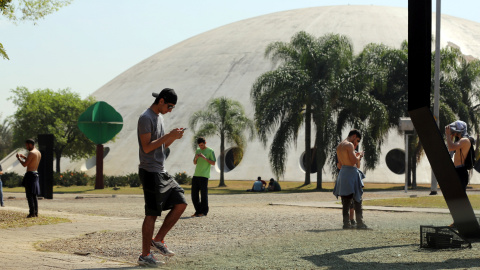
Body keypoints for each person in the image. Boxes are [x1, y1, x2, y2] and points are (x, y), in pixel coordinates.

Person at [137, 88, 187, 267]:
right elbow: (147, 148)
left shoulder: (160, 117)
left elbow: (162, 146)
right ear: (161, 101)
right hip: (149, 171)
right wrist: (168, 135)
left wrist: (173, 138)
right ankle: (145, 255)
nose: (170, 110)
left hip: (161, 170)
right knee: (151, 214)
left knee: (181, 202)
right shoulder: (146, 118)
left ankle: (158, 239)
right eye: (170, 106)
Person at [333, 129, 367, 229]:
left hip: (343, 173)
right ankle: (360, 222)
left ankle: (346, 223)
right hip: (351, 174)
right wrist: (359, 155)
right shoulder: (349, 145)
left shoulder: (339, 146)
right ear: (354, 136)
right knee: (357, 199)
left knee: (346, 201)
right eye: (357, 140)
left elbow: (339, 165)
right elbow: (353, 162)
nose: (356, 143)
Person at [191, 137, 216, 217]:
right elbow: (194, 163)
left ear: (205, 143)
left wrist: (204, 158)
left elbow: (213, 163)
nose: (201, 147)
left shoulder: (210, 151)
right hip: (196, 175)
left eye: (202, 145)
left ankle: (204, 212)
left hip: (204, 176)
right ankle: (197, 211)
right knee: (194, 195)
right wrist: (196, 158)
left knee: (203, 195)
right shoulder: (198, 151)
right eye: (199, 145)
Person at [16, 139, 41, 218]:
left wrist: (19, 158)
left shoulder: (31, 153)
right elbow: (32, 160)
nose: (26, 147)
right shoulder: (38, 152)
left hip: (30, 174)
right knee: (34, 195)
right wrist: (24, 157)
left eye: (27, 145)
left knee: (29, 195)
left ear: (30, 144)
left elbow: (25, 164)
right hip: (36, 173)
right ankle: (36, 212)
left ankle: (31, 213)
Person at [445, 120, 472, 191]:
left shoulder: (465, 140)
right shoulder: (460, 140)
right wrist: (451, 136)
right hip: (458, 170)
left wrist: (448, 134)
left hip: (461, 171)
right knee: (455, 195)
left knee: (460, 197)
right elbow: (450, 148)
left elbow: (451, 147)